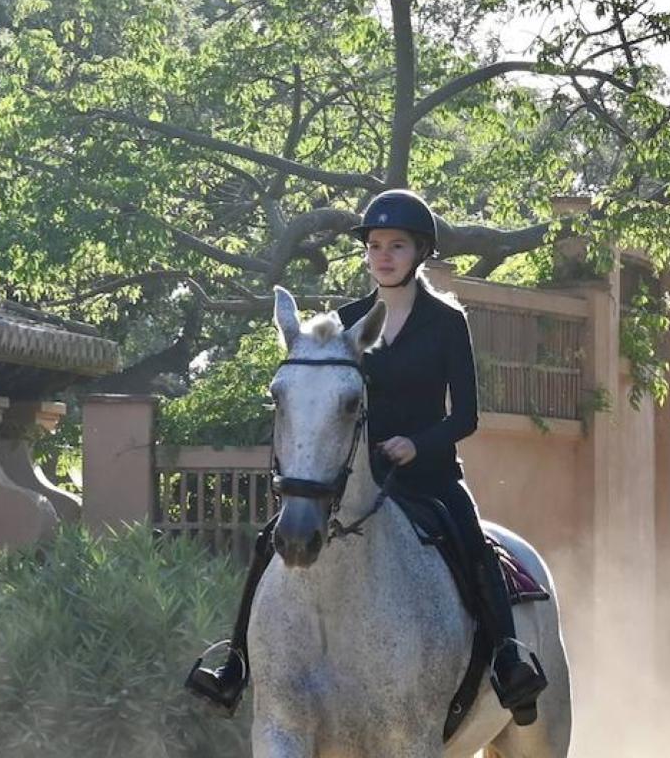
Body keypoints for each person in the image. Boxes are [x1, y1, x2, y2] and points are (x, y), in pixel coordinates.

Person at [185, 189, 547, 721]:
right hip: (358, 477)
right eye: (375, 245)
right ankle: (235, 665)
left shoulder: (447, 322)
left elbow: (465, 416)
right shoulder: (344, 320)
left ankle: (508, 659)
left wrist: (415, 442)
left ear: (420, 252)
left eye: (396, 245)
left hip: (429, 477)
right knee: (270, 539)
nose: (383, 255)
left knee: (475, 544)